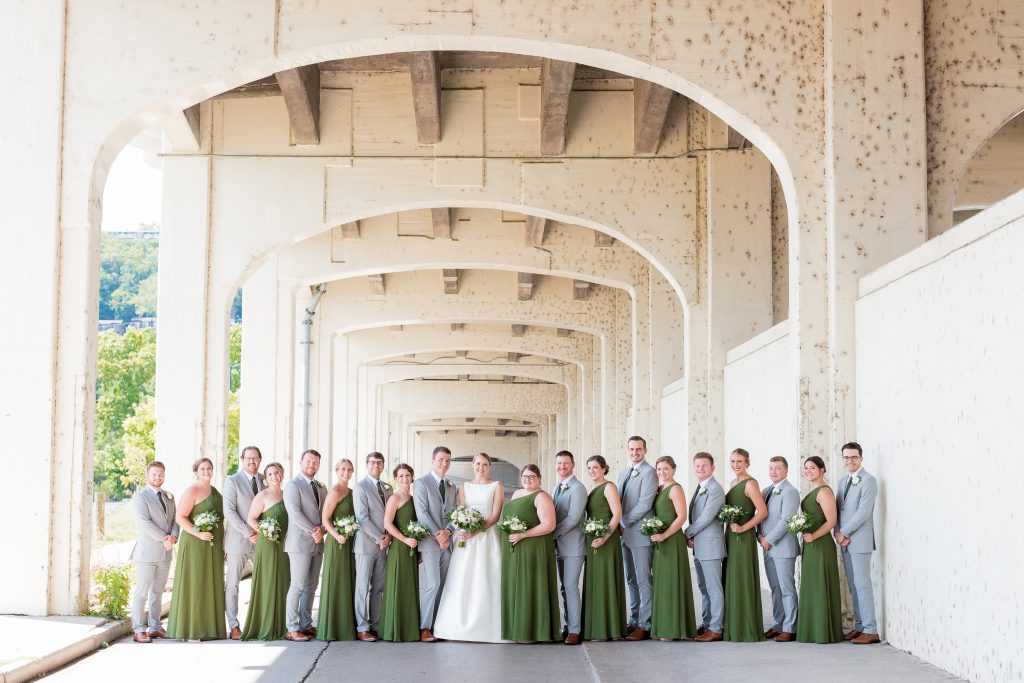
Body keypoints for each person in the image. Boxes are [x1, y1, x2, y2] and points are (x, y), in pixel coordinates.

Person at [433, 453, 507, 643]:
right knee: (462, 579)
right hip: (465, 538)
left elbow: (495, 516)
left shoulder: (497, 486)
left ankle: (490, 627)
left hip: (487, 537)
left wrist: (475, 532)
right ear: (472, 465)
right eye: (477, 464)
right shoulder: (463, 487)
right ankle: (456, 627)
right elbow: (462, 512)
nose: (480, 467)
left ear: (489, 466)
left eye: (484, 464)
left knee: (487, 577)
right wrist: (463, 530)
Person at [167, 457, 226, 641]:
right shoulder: (192, 490)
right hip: (195, 543)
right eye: (202, 469)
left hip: (213, 544)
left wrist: (223, 546)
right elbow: (180, 517)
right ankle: (191, 630)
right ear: (196, 472)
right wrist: (198, 533)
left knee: (211, 582)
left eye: (209, 468)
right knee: (196, 582)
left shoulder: (216, 492)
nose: (207, 471)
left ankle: (210, 629)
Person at [500, 464, 560, 643]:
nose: (527, 479)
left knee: (529, 586)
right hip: (514, 548)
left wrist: (523, 534)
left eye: (532, 476)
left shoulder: (542, 497)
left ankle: (531, 632)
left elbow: (549, 525)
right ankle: (516, 629)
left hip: (533, 548)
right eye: (525, 476)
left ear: (539, 478)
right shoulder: (517, 494)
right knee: (515, 586)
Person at [834, 441, 880, 644]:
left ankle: (871, 629)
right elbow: (838, 509)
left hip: (859, 541)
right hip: (844, 540)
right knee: (852, 585)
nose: (850, 461)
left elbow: (863, 512)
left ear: (861, 457)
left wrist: (843, 532)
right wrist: (837, 532)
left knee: (862, 584)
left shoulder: (868, 480)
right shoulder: (843, 481)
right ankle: (860, 626)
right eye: (846, 457)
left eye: (854, 457)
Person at [648, 456, 697, 641]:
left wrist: (665, 535)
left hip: (671, 539)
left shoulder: (675, 489)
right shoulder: (660, 488)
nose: (662, 472)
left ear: (674, 470)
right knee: (662, 583)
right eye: (659, 469)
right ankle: (663, 625)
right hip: (659, 539)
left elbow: (682, 516)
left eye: (666, 469)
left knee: (672, 582)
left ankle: (673, 629)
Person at [795, 456, 843, 644]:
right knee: (812, 585)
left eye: (812, 467)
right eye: (806, 468)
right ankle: (812, 629)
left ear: (822, 469)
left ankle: (823, 631)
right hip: (811, 543)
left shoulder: (824, 492)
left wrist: (814, 536)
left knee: (820, 584)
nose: (808, 471)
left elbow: (831, 521)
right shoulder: (814, 490)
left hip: (821, 545)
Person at [412, 446, 457, 642]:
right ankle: (424, 627)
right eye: (441, 460)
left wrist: (448, 532)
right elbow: (422, 513)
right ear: (433, 460)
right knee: (433, 584)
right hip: (430, 543)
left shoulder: (451, 486)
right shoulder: (421, 483)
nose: (444, 464)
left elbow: (454, 513)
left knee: (443, 585)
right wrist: (438, 535)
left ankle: (438, 626)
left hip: (447, 543)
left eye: (447, 460)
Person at [722, 448, 768, 642]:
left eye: (739, 461)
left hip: (742, 536)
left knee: (742, 577)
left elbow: (763, 512)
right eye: (733, 461)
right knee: (731, 577)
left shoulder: (750, 484)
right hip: (731, 535)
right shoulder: (733, 482)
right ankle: (732, 624)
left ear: (747, 463)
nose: (735, 465)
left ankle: (745, 627)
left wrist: (743, 528)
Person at [129, 461, 178, 643]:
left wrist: (173, 537)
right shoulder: (141, 497)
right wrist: (165, 539)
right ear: (147, 475)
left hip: (165, 554)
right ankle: (138, 629)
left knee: (158, 591)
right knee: (142, 592)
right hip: (147, 554)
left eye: (161, 474)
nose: (158, 477)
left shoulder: (169, 497)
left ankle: (155, 627)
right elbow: (145, 523)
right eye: (154, 474)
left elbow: (175, 520)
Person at [282, 449, 327, 642]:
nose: (312, 465)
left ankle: (306, 624)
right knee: (298, 585)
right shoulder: (293, 485)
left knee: (312, 586)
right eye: (308, 461)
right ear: (301, 462)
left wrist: (323, 529)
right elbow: (294, 513)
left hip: (318, 543)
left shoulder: (321, 487)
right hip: (300, 543)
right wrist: (314, 531)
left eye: (316, 462)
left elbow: (325, 513)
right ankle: (292, 628)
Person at [241, 461, 289, 640]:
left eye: (277, 473)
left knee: (284, 580)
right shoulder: (262, 496)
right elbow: (251, 518)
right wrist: (265, 530)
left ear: (282, 475)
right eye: (270, 474)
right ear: (266, 478)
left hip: (284, 544)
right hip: (267, 543)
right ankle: (265, 624)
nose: (274, 476)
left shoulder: (287, 495)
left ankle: (283, 624)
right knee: (268, 580)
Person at [616, 436, 658, 641]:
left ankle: (645, 623)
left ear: (645, 450)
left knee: (643, 579)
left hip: (639, 533)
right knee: (631, 580)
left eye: (638, 449)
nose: (635, 453)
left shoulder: (650, 472)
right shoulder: (624, 472)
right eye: (632, 449)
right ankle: (633, 621)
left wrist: (623, 522)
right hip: (624, 535)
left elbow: (645, 504)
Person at [581, 455, 626, 641]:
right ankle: (596, 626)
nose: (592, 470)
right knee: (596, 581)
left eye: (595, 467)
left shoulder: (609, 487)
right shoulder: (594, 489)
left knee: (606, 579)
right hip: (593, 538)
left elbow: (617, 514)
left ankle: (610, 628)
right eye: (589, 468)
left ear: (604, 468)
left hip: (606, 539)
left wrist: (605, 536)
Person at [223, 445, 266, 639]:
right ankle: (233, 625)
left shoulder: (266, 480)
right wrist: (249, 531)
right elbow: (230, 512)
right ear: (242, 459)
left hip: (262, 541)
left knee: (265, 581)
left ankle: (262, 622)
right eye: (248, 458)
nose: (252, 461)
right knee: (233, 584)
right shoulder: (232, 481)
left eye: (255, 458)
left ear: (260, 460)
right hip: (238, 540)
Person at [684, 452, 726, 642]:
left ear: (713, 468)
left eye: (704, 466)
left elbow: (706, 517)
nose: (700, 469)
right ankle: (707, 622)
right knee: (703, 587)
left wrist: (687, 533)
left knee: (713, 587)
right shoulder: (700, 487)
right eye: (697, 466)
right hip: (700, 546)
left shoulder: (715, 489)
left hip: (711, 546)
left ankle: (716, 628)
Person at [758, 456, 801, 641]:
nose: (773, 472)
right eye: (771, 468)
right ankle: (778, 624)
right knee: (775, 587)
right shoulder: (766, 491)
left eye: (777, 468)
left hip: (783, 547)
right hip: (766, 546)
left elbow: (786, 520)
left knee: (786, 588)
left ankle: (790, 628)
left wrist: (769, 539)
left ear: (786, 470)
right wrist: (759, 536)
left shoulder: (791, 492)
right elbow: (760, 515)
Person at [352, 451, 392, 642]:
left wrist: (389, 537)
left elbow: (391, 516)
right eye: (372, 462)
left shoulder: (387, 487)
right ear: (366, 465)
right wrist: (379, 538)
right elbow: (362, 517)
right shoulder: (360, 487)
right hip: (366, 545)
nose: (376, 465)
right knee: (362, 587)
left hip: (384, 546)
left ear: (383, 466)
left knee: (378, 588)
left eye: (379, 462)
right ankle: (362, 627)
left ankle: (375, 625)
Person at [317, 458, 358, 641]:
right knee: (335, 581)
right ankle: (331, 627)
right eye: (342, 469)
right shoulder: (334, 491)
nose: (346, 472)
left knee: (347, 581)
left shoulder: (351, 491)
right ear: (336, 470)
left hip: (349, 541)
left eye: (349, 469)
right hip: (337, 542)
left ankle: (346, 626)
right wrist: (336, 535)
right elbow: (325, 519)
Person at [380, 463, 421, 642]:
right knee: (398, 585)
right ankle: (394, 630)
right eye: (401, 476)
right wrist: (404, 540)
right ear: (396, 478)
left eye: (408, 475)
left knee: (409, 586)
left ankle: (409, 630)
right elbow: (387, 524)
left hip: (413, 548)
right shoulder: (394, 498)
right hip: (399, 548)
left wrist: (417, 548)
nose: (405, 479)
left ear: (412, 477)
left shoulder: (414, 498)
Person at [550, 450, 587, 645]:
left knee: (571, 586)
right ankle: (569, 625)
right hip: (559, 547)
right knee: (564, 588)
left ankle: (575, 631)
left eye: (565, 463)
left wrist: (551, 533)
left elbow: (573, 519)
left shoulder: (578, 488)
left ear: (573, 465)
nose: (562, 467)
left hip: (574, 546)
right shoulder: (557, 487)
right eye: (559, 463)